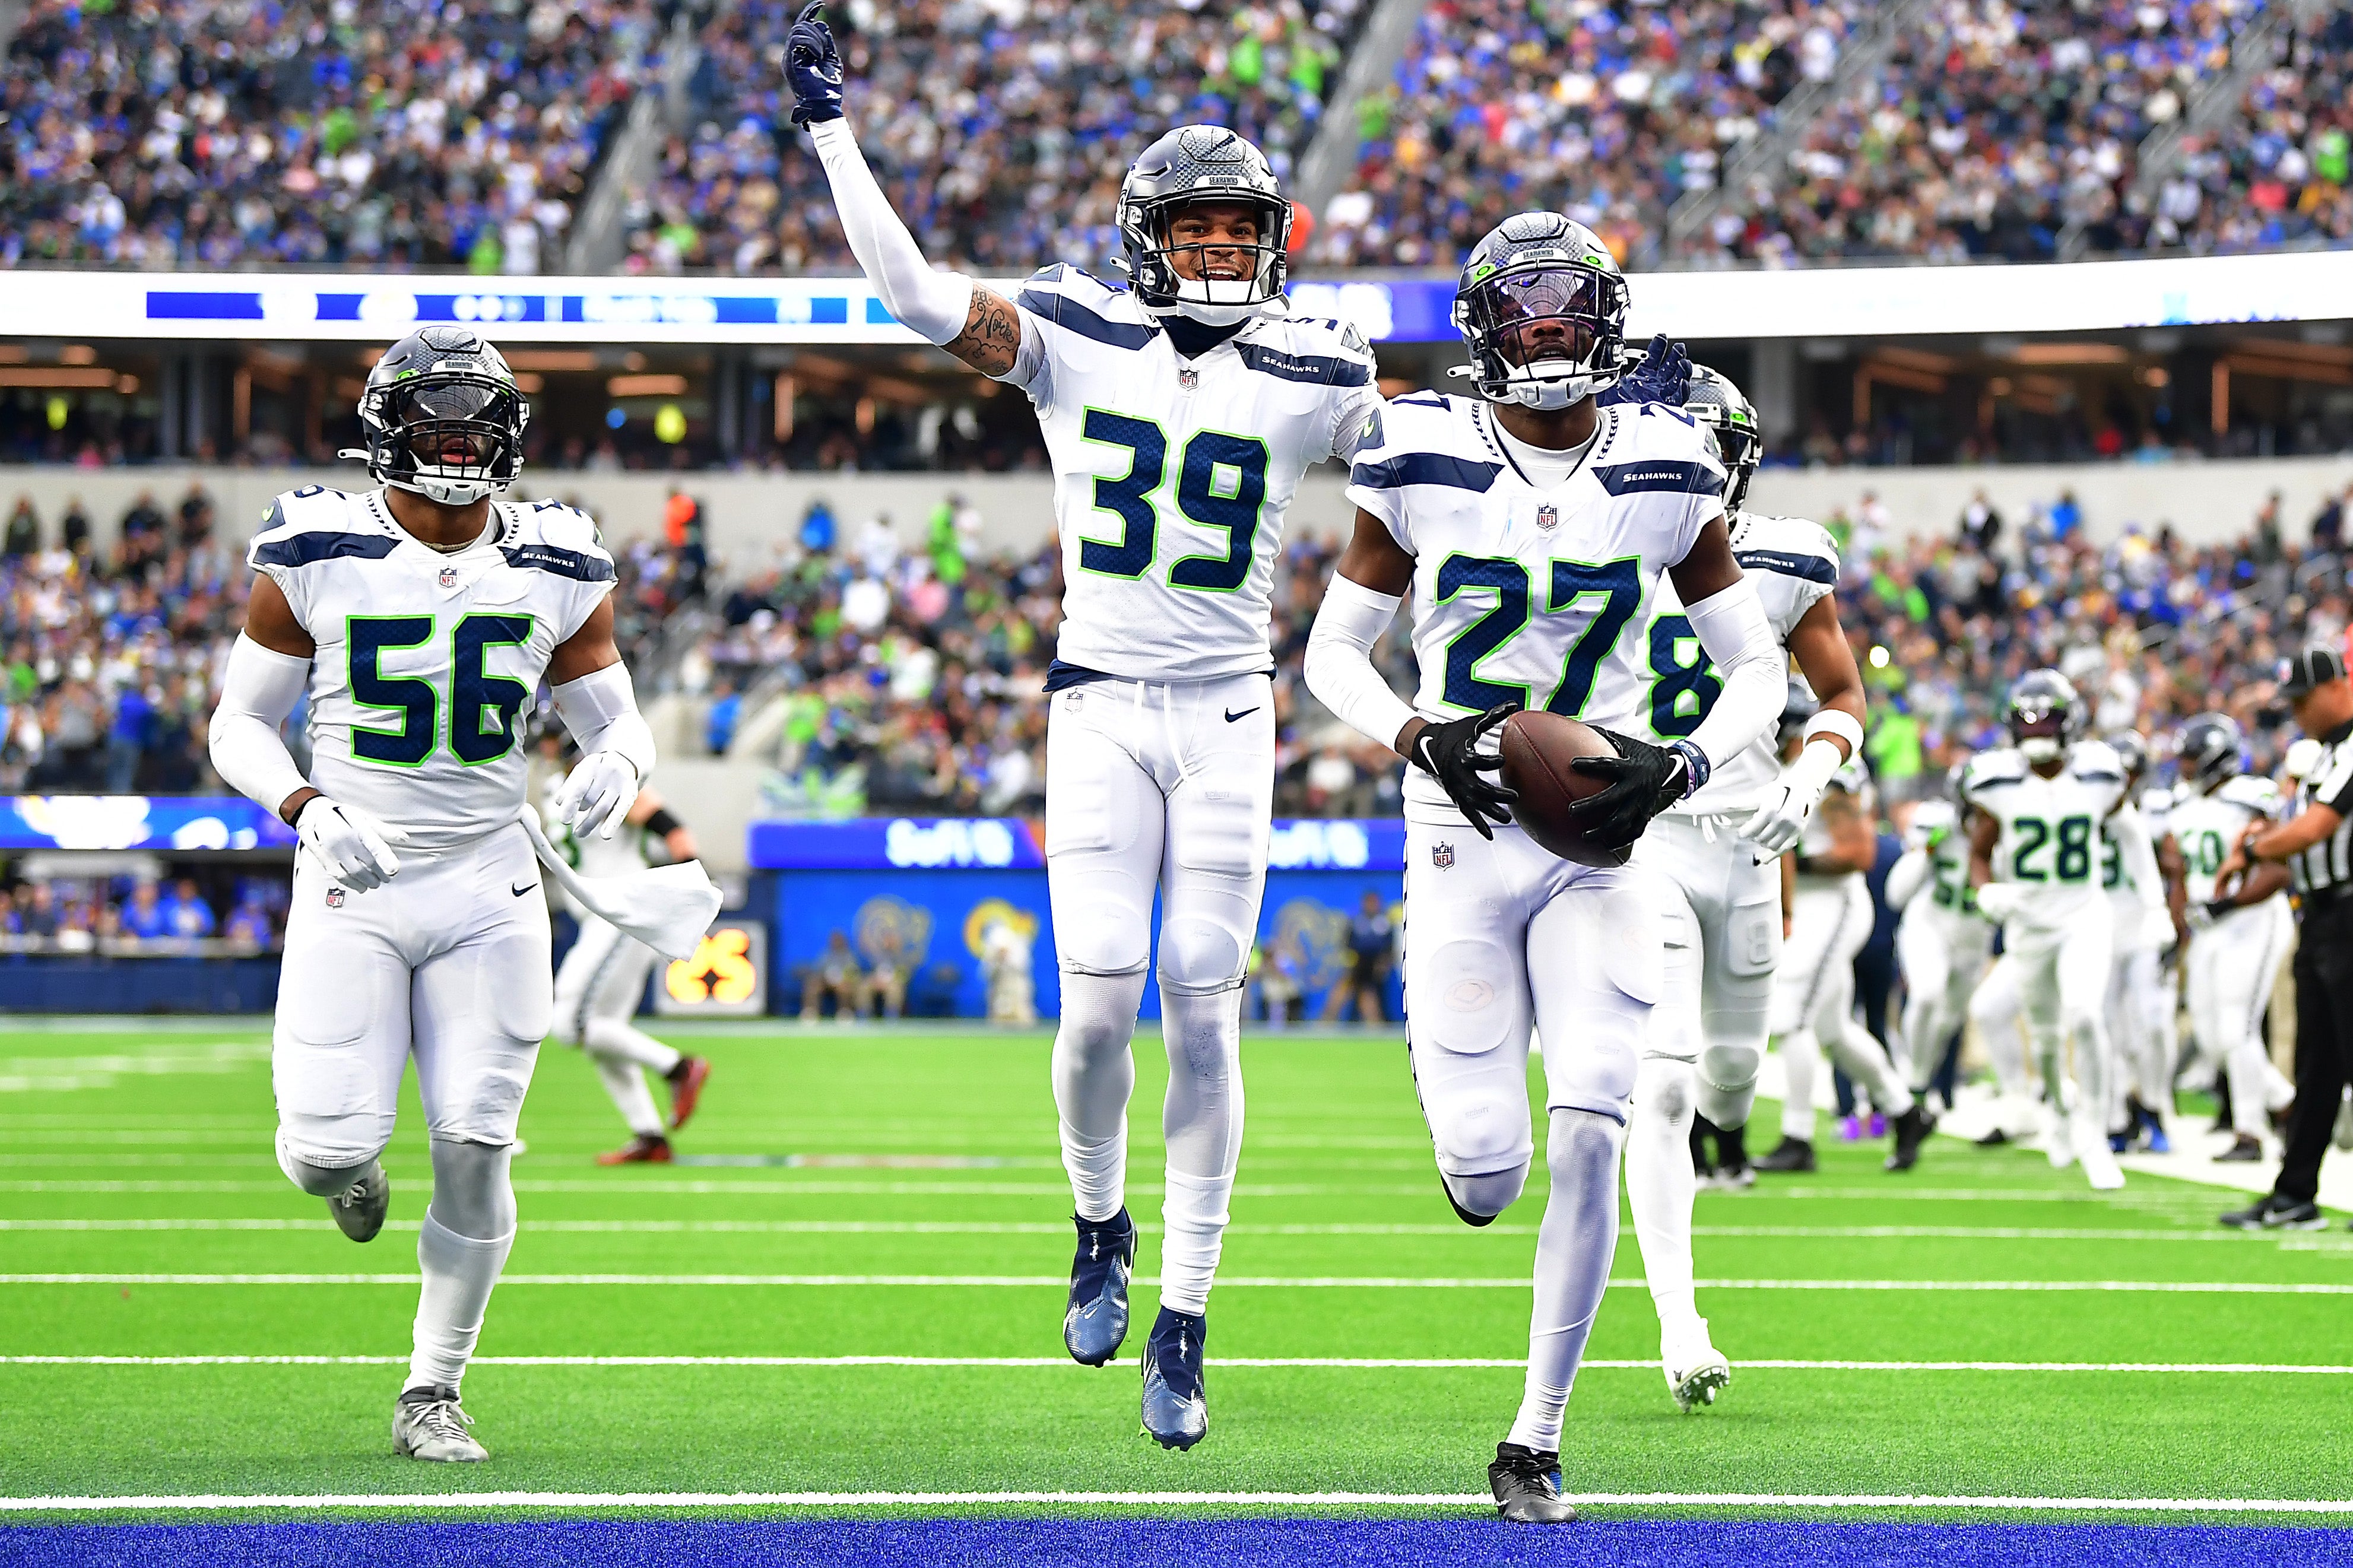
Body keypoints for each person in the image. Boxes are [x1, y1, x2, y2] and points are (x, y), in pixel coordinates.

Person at [787, 4, 1391, 1449]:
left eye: (1238, 230)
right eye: (1192, 231)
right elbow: (916, 292)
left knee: (1203, 991)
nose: (1217, 253)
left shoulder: (1319, 365)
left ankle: (1184, 1314)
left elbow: (1433, 470)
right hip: (1101, 702)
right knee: (1101, 998)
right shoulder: (1070, 327)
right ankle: (1097, 1224)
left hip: (1234, 706)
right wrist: (828, 128)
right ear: (1144, 237)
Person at [1303, 211, 1784, 1522]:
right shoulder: (1417, 447)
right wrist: (1418, 729)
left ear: (1610, 318)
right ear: (1482, 324)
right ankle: (1445, 1067)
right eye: (1524, 306)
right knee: (1484, 1174)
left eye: (1572, 303)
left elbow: (1757, 663)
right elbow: (1330, 655)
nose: (1551, 326)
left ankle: (1534, 1436)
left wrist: (1678, 764)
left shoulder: (1668, 458)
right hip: (1460, 828)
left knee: (1591, 1131)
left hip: (1603, 839)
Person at [207, 325, 654, 1462]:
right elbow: (236, 724)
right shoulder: (316, 539)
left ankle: (432, 1387)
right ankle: (347, 1173)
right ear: (386, 436)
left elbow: (616, 718)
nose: (456, 451)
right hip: (353, 877)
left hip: (488, 885)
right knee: (321, 1148)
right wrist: (308, 807)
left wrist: (618, 762)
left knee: (475, 1139)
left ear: (508, 440)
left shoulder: (557, 552)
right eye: (435, 429)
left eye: (475, 430)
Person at [1615, 365, 1876, 1414]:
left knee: (1729, 1077)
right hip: (1648, 843)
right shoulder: (1591, 539)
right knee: (1666, 1083)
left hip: (1749, 843)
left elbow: (1843, 692)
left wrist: (1808, 776)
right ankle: (1680, 1327)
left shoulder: (1781, 555)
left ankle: (1732, 1131)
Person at [1962, 671, 2157, 1190]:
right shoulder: (1997, 781)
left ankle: (2094, 1132)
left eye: (2046, 718)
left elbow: (2133, 834)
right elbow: (1979, 851)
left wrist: (2154, 902)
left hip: (2083, 914)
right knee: (2047, 1042)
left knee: (2088, 1016)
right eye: (2027, 720)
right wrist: (1986, 891)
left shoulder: (2099, 773)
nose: (2036, 730)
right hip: (2029, 924)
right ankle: (2060, 1113)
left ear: (2070, 722)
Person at [2219, 646, 2353, 1228]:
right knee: (2315, 1061)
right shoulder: (2323, 758)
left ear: (2334, 686)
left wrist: (2252, 846)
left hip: (2350, 913)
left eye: (2301, 701)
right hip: (2319, 916)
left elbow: (2316, 828)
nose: (2296, 713)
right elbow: (2297, 842)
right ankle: (2294, 1191)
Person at [1753, 740, 1923, 1175]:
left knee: (1791, 1017)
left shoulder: (1824, 771)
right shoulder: (1778, 766)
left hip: (1832, 905)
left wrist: (1795, 863)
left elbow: (1859, 852)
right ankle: (1905, 1113)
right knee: (1835, 1030)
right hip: (1810, 905)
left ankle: (1798, 1137)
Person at [548, 781, 712, 1165]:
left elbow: (669, 825)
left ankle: (678, 1067)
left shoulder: (608, 771)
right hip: (600, 916)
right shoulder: (554, 783)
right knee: (602, 1032)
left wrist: (693, 875)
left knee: (571, 1023)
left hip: (622, 909)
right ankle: (651, 1137)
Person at [2163, 713, 2294, 1163]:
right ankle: (2287, 1104)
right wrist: (2178, 926)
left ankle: (2250, 1132)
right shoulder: (2182, 806)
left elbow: (2278, 867)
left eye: (2191, 759)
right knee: (2210, 1032)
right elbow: (2179, 874)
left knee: (2237, 1027)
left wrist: (2229, 904)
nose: (2183, 768)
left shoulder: (2250, 798)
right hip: (2210, 925)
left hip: (2252, 917)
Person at [1887, 777, 1993, 1116]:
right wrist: (1924, 851)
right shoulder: (1939, 824)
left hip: (1974, 937)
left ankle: (1920, 1082)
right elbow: (1896, 894)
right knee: (1926, 994)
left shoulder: (2011, 828)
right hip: (1929, 925)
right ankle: (1912, 1079)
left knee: (1948, 1022)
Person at [2100, 731, 2184, 1151]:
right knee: (2104, 1028)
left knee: (2152, 1023)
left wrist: (2172, 922)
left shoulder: (2154, 811)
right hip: (2098, 928)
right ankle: (2116, 1117)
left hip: (2144, 927)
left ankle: (2153, 1105)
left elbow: (2175, 868)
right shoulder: (2084, 805)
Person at [1326, 889, 1394, 1022]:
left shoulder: (1384, 922)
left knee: (1368, 994)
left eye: (1374, 902)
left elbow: (1389, 946)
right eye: (1369, 902)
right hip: (1357, 963)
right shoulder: (1357, 921)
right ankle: (1326, 1020)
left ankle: (1375, 1025)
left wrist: (1384, 963)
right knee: (1341, 991)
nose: (1372, 905)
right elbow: (1347, 942)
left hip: (1374, 965)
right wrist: (1349, 960)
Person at [801, 930, 866, 1020]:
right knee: (814, 984)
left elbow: (854, 973)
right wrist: (826, 977)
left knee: (845, 987)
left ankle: (845, 1013)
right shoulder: (826, 955)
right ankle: (810, 1012)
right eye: (835, 940)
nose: (836, 943)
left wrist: (842, 978)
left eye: (838, 940)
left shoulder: (849, 956)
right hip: (826, 982)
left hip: (842, 983)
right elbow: (817, 970)